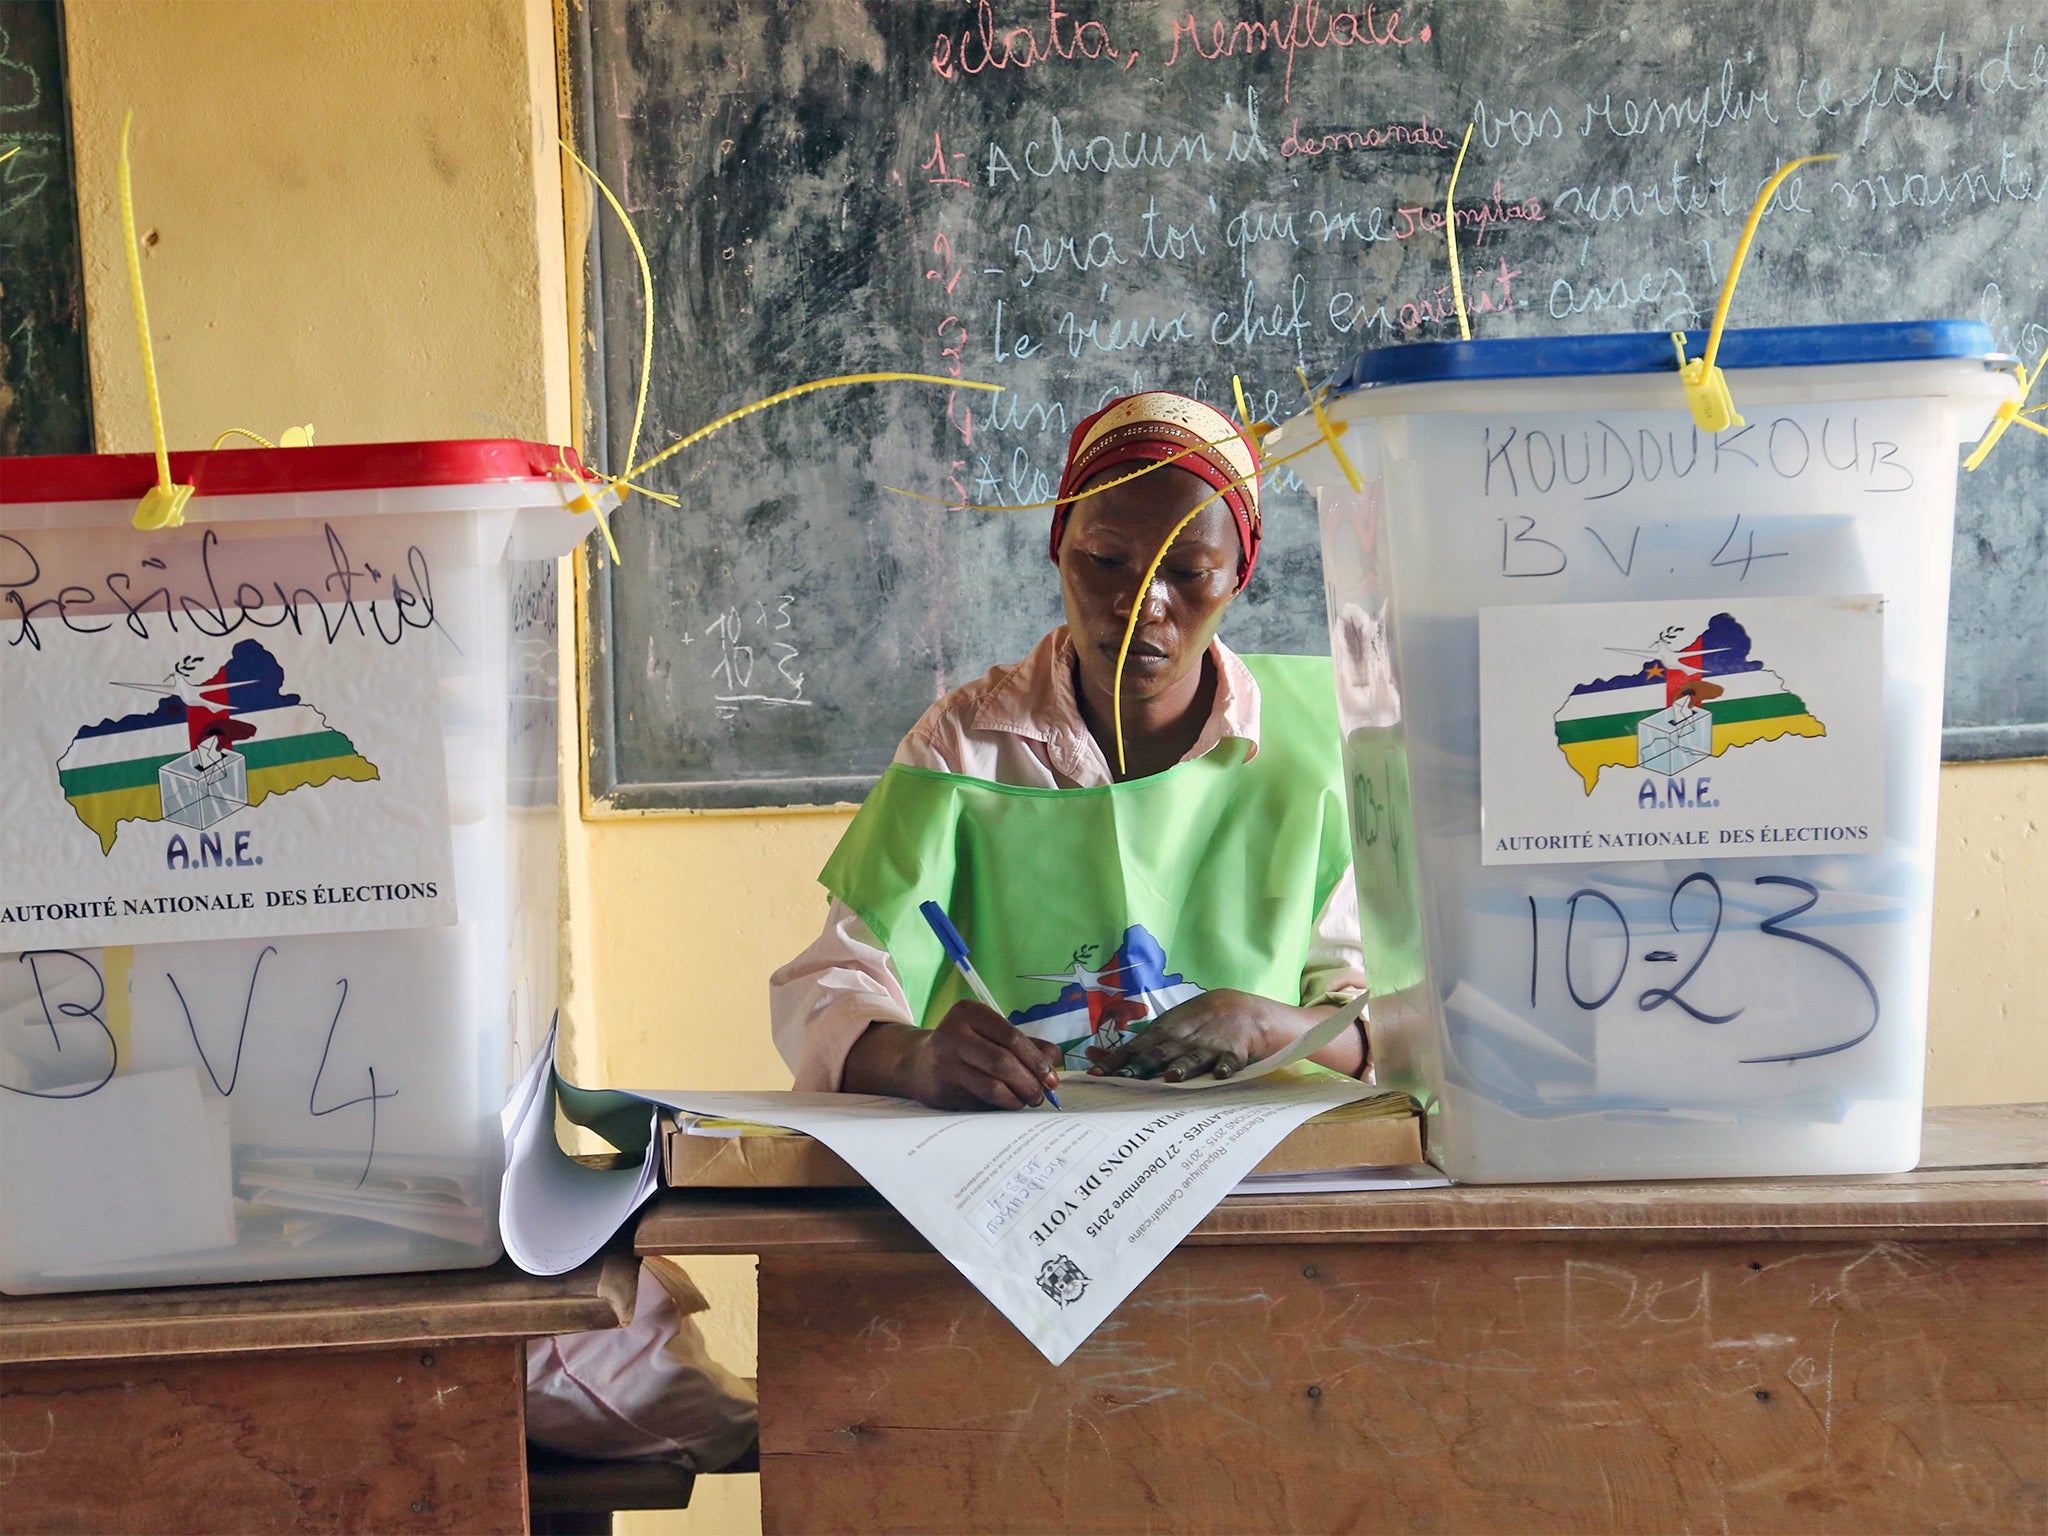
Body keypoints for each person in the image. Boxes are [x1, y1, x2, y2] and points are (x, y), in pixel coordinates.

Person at [771, 390, 1369, 1103]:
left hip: (1255, 1185)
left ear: (1238, 576)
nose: (1141, 602)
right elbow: (829, 991)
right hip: (1011, 1181)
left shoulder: (1322, 747)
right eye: (1106, 559)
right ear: (1059, 546)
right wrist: (914, 1059)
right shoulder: (963, 749)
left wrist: (1269, 1024)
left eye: (1187, 573)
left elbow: (1399, 1021)